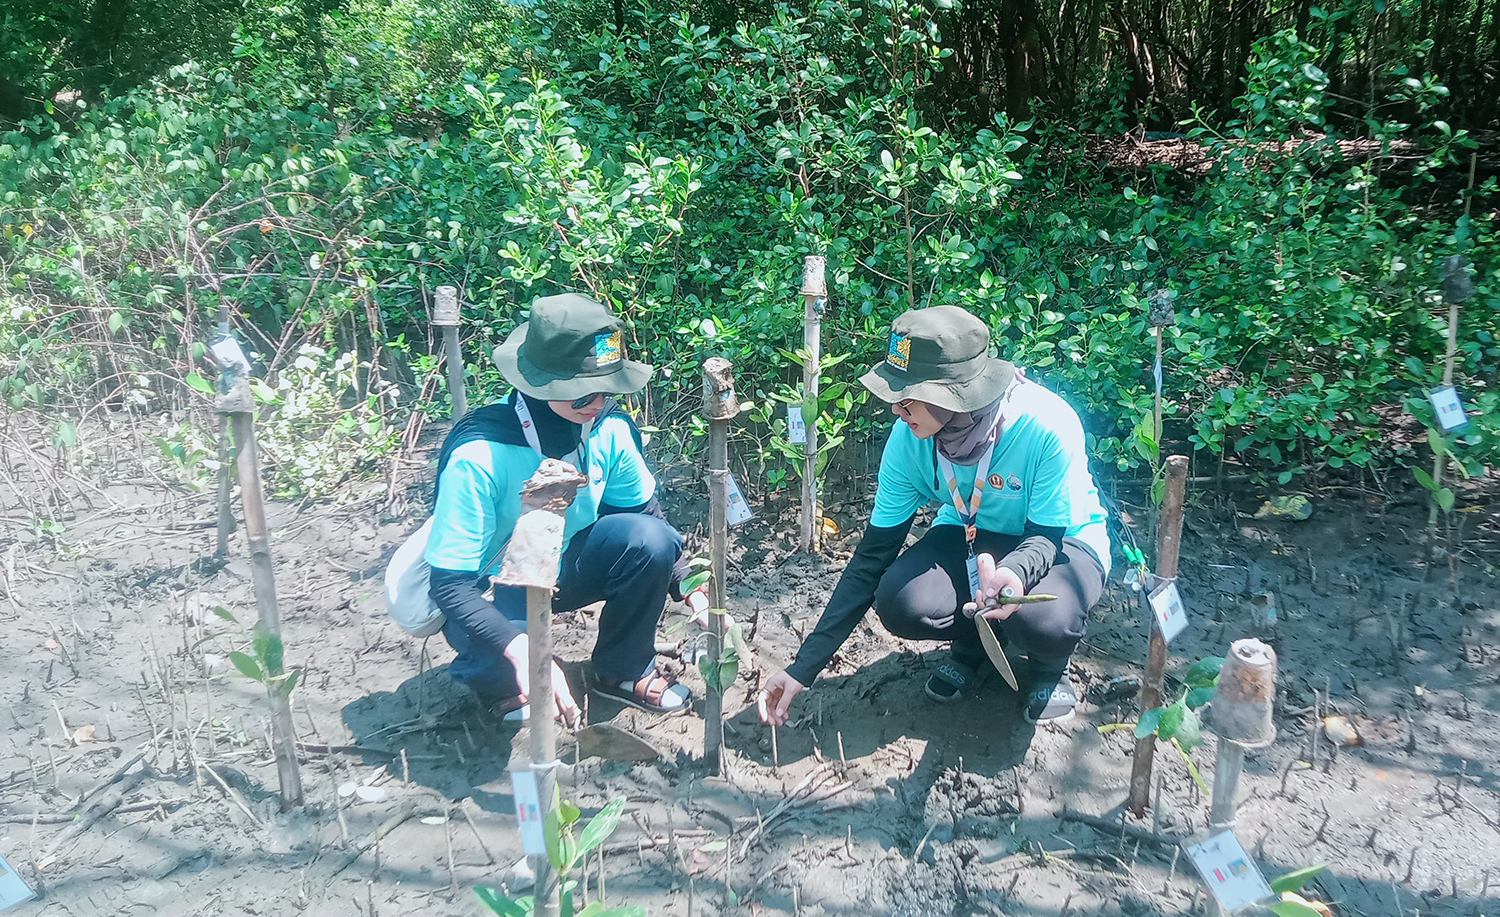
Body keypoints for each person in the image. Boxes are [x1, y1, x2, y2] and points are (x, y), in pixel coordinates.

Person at [759, 305, 1112, 725]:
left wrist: (1013, 572)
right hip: (970, 532)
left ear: (953, 396)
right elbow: (873, 557)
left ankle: (1050, 667)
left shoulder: (1045, 425)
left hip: (1060, 541)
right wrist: (805, 665)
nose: (895, 411)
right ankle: (973, 646)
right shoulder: (908, 441)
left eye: (906, 400)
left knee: (1042, 618)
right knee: (900, 601)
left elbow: (1046, 536)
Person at [425, 293, 707, 723]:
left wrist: (691, 587)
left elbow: (644, 518)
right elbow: (450, 586)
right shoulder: (479, 454)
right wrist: (521, 647)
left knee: (654, 542)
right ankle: (502, 681)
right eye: (582, 395)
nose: (597, 403)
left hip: (567, 562)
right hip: (492, 585)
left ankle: (623, 670)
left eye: (606, 388)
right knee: (509, 670)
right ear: (541, 385)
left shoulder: (609, 428)